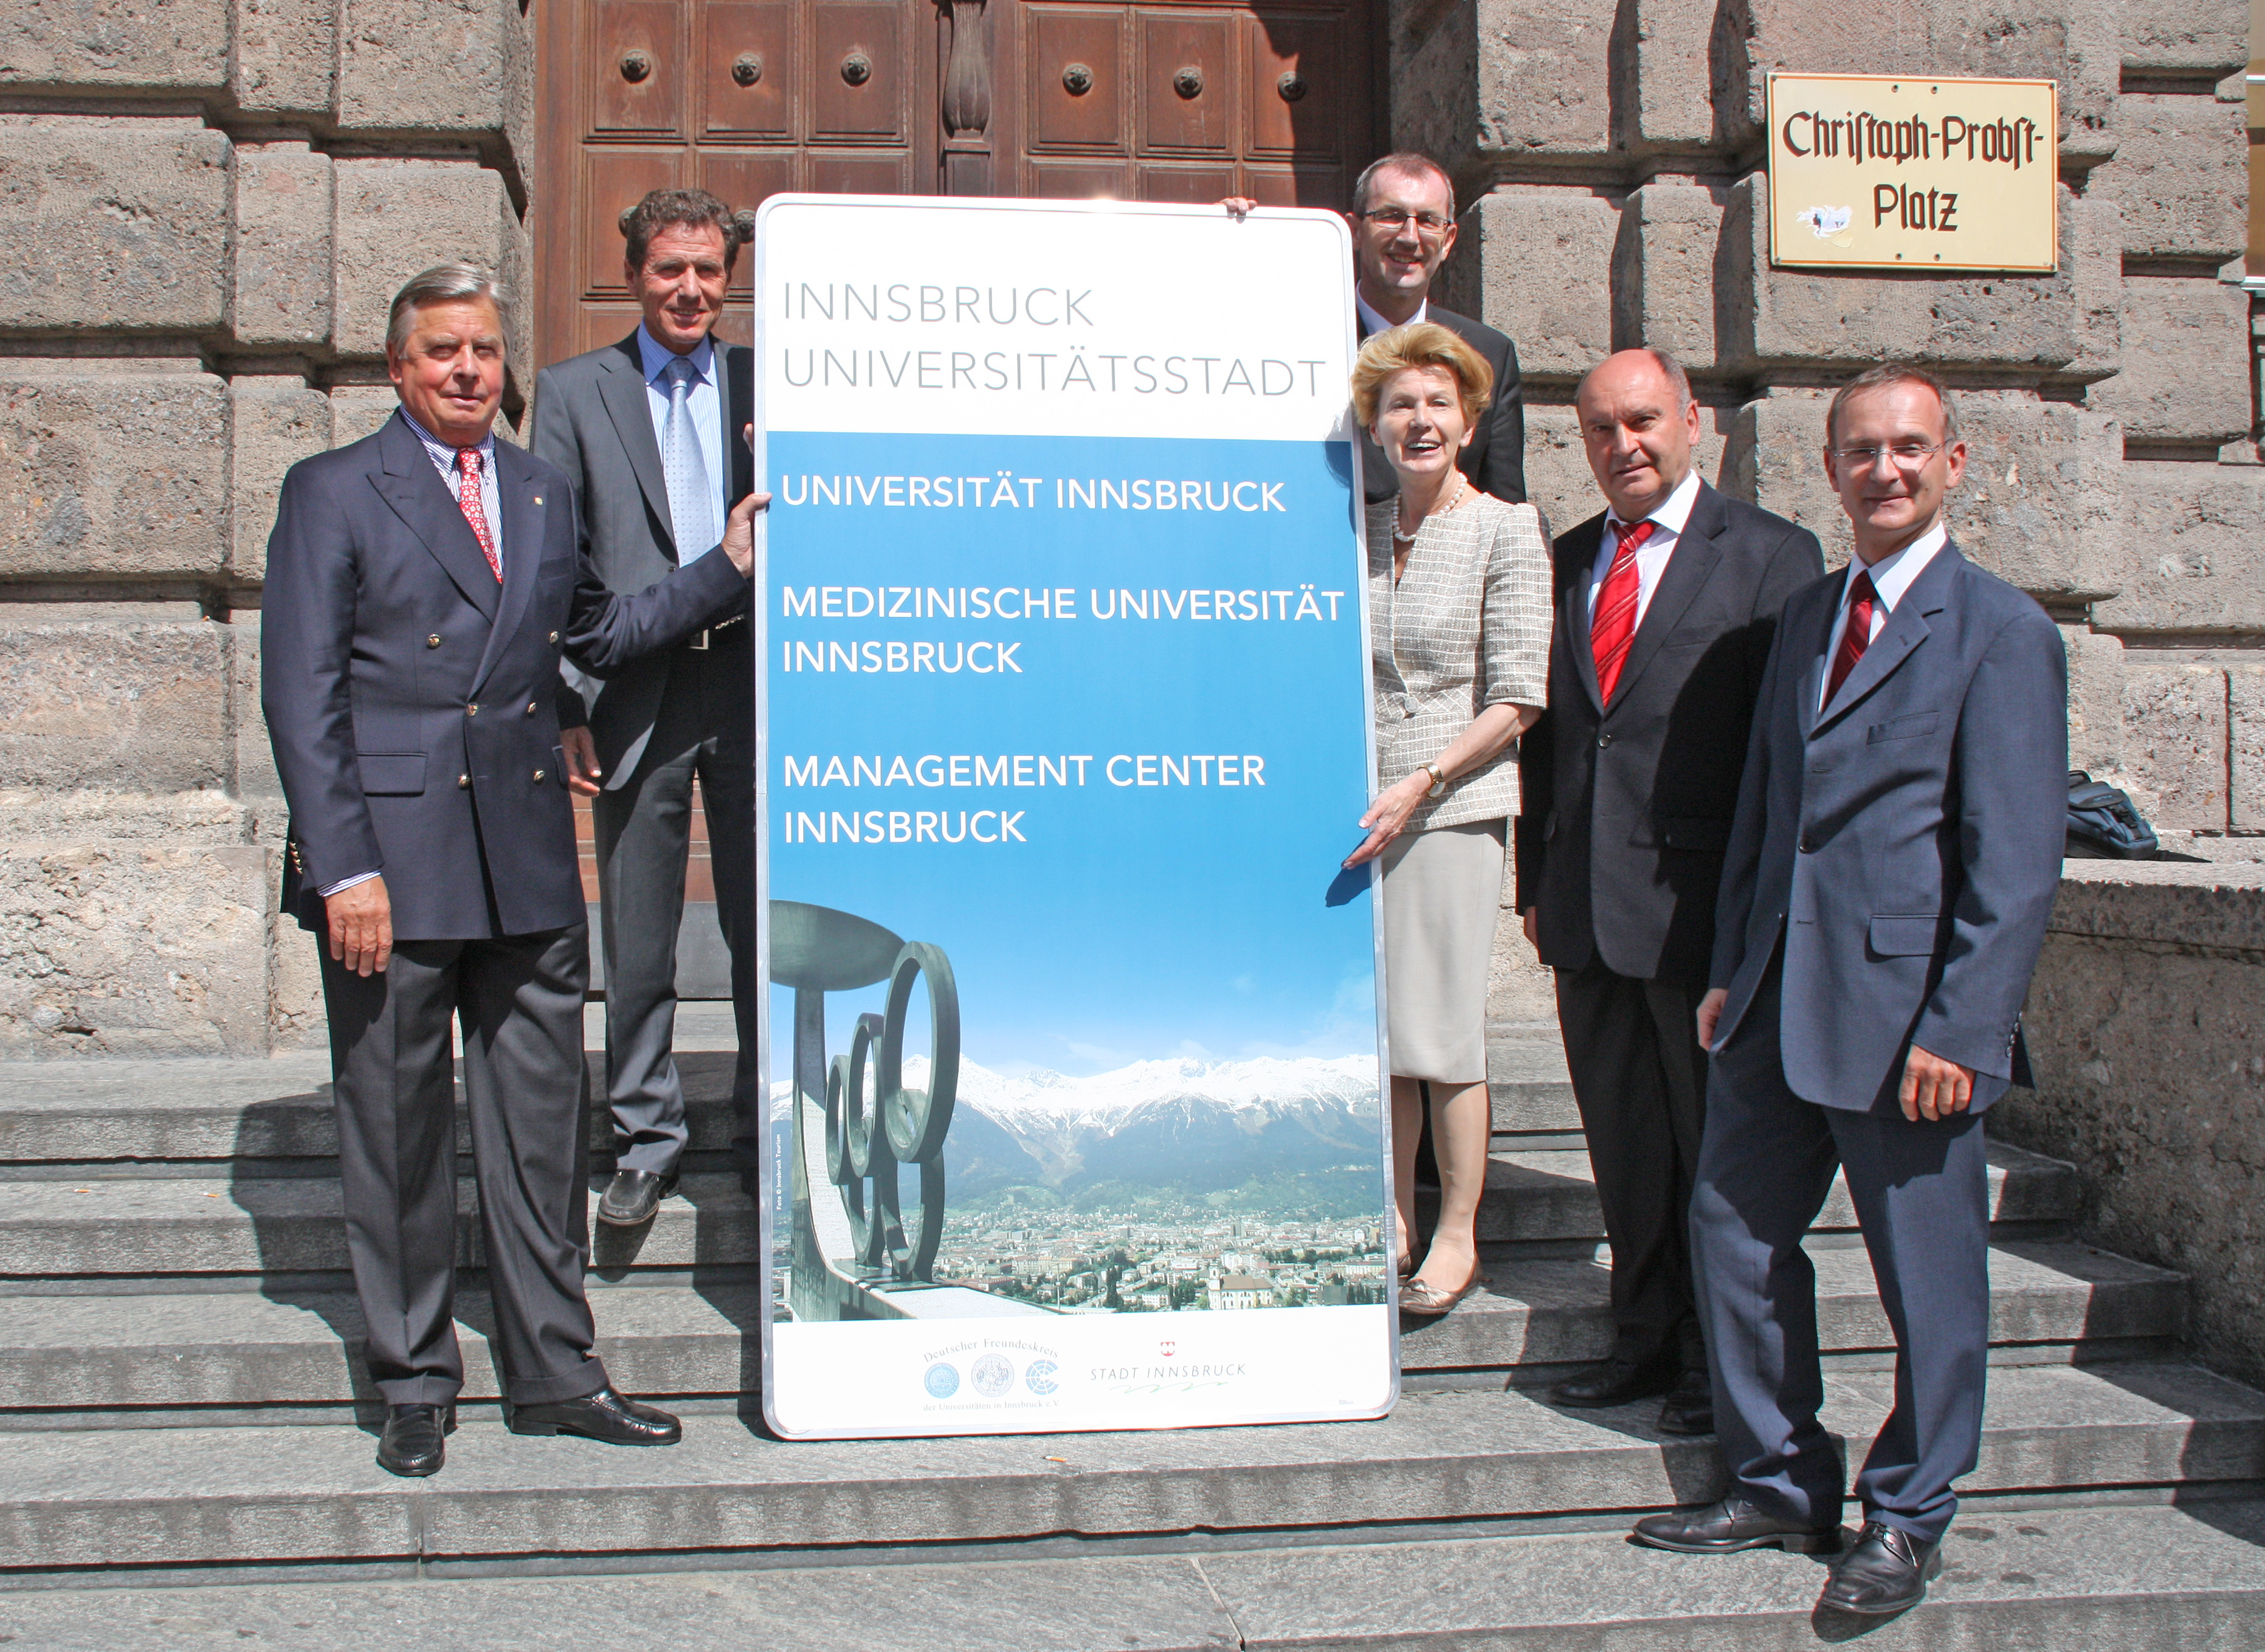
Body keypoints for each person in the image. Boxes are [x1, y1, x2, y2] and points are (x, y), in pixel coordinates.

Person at [261, 263, 767, 1478]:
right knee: (400, 1131)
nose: (467, 370)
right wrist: (343, 871)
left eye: (485, 350)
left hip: (527, 857)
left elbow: (595, 632)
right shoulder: (333, 489)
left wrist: (725, 565)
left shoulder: (540, 490)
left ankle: (555, 1372)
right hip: (392, 871)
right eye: (443, 350)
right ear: (399, 367)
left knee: (542, 1134)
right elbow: (301, 695)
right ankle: (414, 1380)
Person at [1631, 364, 2067, 1618]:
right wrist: (1731, 968)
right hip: (1774, 999)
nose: (1886, 469)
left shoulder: (2002, 632)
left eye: (1909, 447)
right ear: (1829, 469)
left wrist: (1965, 1026)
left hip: (1909, 1023)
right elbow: (1772, 809)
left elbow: (2014, 860)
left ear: (1953, 463)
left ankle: (1910, 1510)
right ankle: (1779, 1479)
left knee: (1927, 1280)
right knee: (1733, 1235)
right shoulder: (1812, 618)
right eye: (1862, 450)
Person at [1515, 349, 1822, 1435]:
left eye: (1642, 420)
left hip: (1699, 915)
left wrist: (1755, 923)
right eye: (1600, 428)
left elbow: (1781, 754)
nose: (1623, 445)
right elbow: (1551, 738)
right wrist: (1535, 880)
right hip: (1584, 910)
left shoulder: (1773, 556)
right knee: (1625, 1147)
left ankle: (1712, 1363)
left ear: (1694, 421)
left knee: (1712, 1156)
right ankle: (1640, 1340)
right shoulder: (1565, 559)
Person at [530, 188, 760, 1227]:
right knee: (636, 935)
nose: (690, 289)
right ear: (633, 274)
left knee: (765, 929)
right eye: (670, 267)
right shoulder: (574, 393)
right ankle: (645, 1138)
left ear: (729, 278)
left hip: (756, 688)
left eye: (708, 270)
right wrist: (563, 702)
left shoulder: (770, 382)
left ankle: (764, 1132)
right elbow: (549, 567)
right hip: (633, 693)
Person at [1343, 322, 1550, 1316]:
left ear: (1467, 421)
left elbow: (1518, 697)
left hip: (1451, 806)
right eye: (1400, 405)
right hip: (1357, 810)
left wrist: (1422, 780)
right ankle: (1391, 1215)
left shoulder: (1505, 528)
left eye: (1437, 403)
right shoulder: (1356, 527)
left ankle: (1458, 1229)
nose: (1419, 420)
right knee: (1384, 1027)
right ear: (1374, 425)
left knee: (1441, 1033)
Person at [1225, 151, 1525, 505]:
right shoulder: (1293, 341)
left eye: (1428, 220)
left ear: (1447, 240)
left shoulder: (1489, 353)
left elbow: (1506, 506)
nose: (1410, 237)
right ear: (1354, 231)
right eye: (1391, 216)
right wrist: (1217, 244)